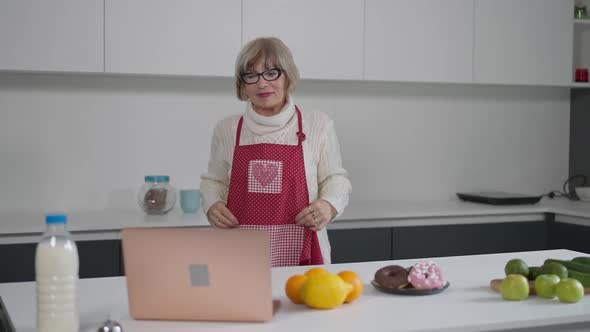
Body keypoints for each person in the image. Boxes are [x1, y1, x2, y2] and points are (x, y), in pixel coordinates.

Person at [200, 37, 351, 267]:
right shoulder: (228, 129)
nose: (262, 84)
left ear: (288, 75)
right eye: (251, 75)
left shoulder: (318, 124)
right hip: (239, 253)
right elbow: (213, 181)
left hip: (304, 250)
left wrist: (328, 205)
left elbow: (336, 179)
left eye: (271, 72)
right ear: (243, 84)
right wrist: (212, 204)